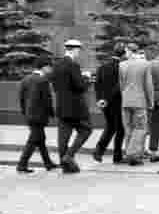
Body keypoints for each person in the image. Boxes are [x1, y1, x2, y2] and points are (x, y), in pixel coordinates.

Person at [50, 39, 93, 173]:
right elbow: (80, 86)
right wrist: (86, 78)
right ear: (75, 50)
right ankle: (69, 156)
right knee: (86, 130)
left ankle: (65, 166)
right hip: (76, 107)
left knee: (63, 137)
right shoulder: (73, 65)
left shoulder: (56, 65)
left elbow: (56, 85)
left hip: (61, 106)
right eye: (78, 50)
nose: (79, 53)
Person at [16, 55, 57, 173]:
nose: (51, 70)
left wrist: (25, 112)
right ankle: (22, 165)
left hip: (29, 115)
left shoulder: (26, 79)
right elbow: (47, 99)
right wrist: (52, 113)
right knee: (33, 140)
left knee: (40, 139)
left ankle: (48, 163)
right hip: (39, 116)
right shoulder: (43, 80)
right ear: (44, 67)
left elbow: (21, 99)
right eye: (50, 67)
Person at [119, 44, 154, 166]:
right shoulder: (145, 64)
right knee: (140, 128)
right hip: (140, 101)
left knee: (128, 128)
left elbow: (121, 84)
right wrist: (150, 102)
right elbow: (148, 85)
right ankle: (133, 155)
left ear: (130, 51)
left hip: (126, 101)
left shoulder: (122, 65)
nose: (125, 53)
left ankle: (129, 154)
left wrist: (125, 96)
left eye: (126, 51)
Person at [92, 43, 126, 165]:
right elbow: (119, 86)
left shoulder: (102, 67)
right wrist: (107, 98)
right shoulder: (122, 67)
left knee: (110, 126)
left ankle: (99, 151)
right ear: (124, 54)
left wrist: (100, 99)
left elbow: (97, 84)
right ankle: (117, 156)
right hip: (117, 102)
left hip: (104, 104)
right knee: (121, 129)